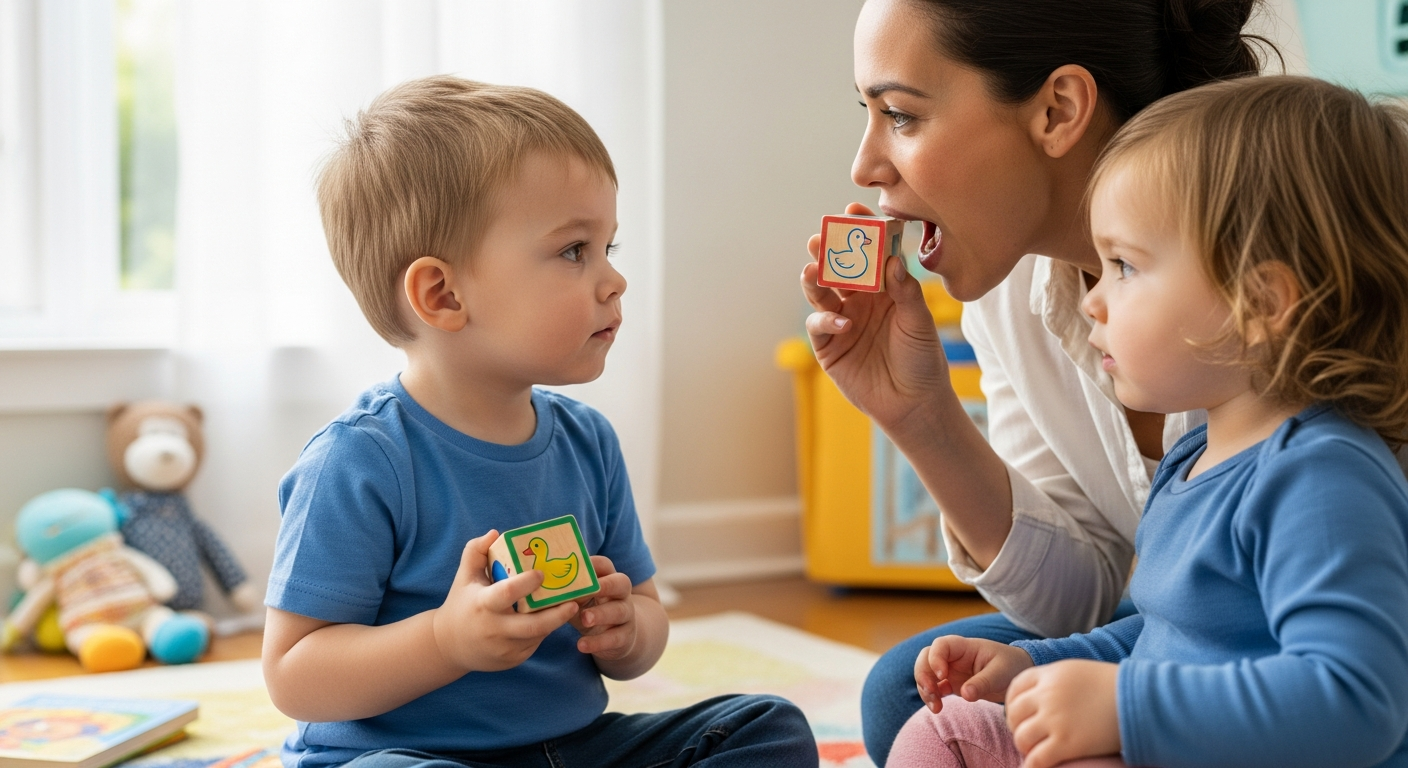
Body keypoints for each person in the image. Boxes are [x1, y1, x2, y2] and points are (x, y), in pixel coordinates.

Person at [797, 1, 1308, 762]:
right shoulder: (1008, 293)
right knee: (915, 688)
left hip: (1326, 638)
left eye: (901, 115)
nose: (865, 166)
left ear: (1057, 109)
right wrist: (921, 418)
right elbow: (1090, 598)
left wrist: (1126, 698)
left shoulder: (1269, 291)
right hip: (1186, 627)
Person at [261, 76, 818, 768]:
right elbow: (294, 674)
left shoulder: (589, 443)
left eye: (609, 249)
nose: (613, 282)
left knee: (766, 728)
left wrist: (629, 630)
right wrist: (444, 640)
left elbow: (644, 615)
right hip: (411, 753)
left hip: (570, 749)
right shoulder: (360, 461)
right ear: (443, 294)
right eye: (573, 251)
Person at [886, 75, 1408, 768]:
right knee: (942, 730)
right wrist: (1028, 665)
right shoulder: (1195, 460)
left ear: (1261, 303)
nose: (1094, 302)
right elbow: (1157, 637)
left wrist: (1123, 706)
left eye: (1124, 267)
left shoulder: (1322, 477)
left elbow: (1357, 703)